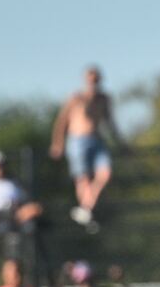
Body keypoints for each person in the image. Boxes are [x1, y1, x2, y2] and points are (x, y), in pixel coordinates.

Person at [49, 66, 124, 229]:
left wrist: (121, 144)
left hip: (97, 139)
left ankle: (85, 209)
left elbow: (110, 123)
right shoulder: (76, 97)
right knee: (83, 178)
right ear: (85, 79)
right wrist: (57, 143)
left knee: (105, 173)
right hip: (77, 140)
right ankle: (88, 213)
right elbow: (62, 121)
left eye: (96, 77)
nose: (93, 80)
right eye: (90, 77)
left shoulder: (104, 99)